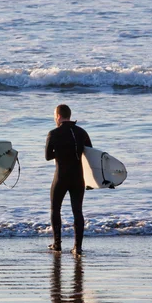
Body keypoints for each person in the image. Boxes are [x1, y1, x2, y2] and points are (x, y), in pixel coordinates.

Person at [45, 104, 92, 255]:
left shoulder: (53, 133)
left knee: (55, 209)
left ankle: (57, 244)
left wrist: (59, 153)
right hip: (78, 177)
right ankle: (77, 247)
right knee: (77, 211)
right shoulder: (82, 132)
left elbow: (47, 156)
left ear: (58, 116)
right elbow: (90, 153)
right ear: (69, 116)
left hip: (61, 177)